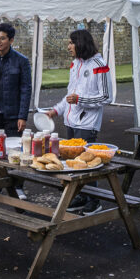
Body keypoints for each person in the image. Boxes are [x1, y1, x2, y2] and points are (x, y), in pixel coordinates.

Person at [45, 29, 112, 216]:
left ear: (81, 44)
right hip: (71, 122)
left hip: (88, 124)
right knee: (73, 162)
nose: (68, 47)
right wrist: (56, 111)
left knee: (87, 163)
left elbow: (107, 97)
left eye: (71, 43)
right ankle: (81, 195)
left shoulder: (100, 64)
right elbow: (69, 96)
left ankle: (94, 201)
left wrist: (81, 101)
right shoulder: (75, 64)